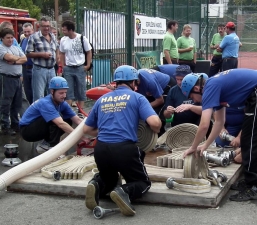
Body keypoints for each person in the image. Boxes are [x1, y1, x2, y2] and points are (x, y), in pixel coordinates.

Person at [182, 69, 257, 202]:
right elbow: (219, 122)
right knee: (247, 137)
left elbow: (204, 124)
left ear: (196, 88)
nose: (193, 101)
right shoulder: (216, 88)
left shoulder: (210, 87)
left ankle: (252, 187)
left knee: (252, 138)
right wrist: (205, 145)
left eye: (191, 97)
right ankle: (249, 181)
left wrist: (193, 147)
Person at [83, 65, 161, 216]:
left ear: (116, 82)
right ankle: (124, 191)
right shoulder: (138, 98)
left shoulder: (102, 99)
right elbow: (155, 123)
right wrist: (155, 129)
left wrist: (107, 129)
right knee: (142, 182)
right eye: (136, 83)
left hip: (101, 149)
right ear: (133, 82)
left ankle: (96, 184)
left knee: (110, 179)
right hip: (124, 149)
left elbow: (86, 130)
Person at [19, 77, 88, 153]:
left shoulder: (62, 103)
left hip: (37, 126)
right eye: (61, 93)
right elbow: (61, 124)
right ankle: (52, 147)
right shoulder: (46, 103)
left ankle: (45, 144)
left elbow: (78, 120)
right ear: (52, 91)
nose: (64, 96)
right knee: (58, 120)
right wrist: (80, 137)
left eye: (65, 92)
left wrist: (95, 129)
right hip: (27, 131)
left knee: (68, 119)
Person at [59, 20, 92, 110]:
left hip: (80, 67)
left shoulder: (82, 38)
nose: (63, 32)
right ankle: (68, 112)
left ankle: (81, 111)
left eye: (64, 30)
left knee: (81, 90)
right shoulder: (63, 40)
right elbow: (61, 53)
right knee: (68, 91)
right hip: (68, 68)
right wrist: (63, 65)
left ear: (70, 30)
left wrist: (88, 65)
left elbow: (89, 51)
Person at [0, 28, 27, 135]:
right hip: (6, 78)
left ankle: (15, 124)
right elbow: (8, 57)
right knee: (5, 103)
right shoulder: (1, 48)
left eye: (12, 37)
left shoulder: (16, 47)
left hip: (17, 78)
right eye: (8, 38)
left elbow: (24, 59)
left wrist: (15, 61)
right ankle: (5, 126)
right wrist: (17, 59)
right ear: (2, 38)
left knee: (17, 103)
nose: (10, 40)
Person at [26, 17, 59, 102]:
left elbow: (57, 48)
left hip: (52, 69)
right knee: (38, 96)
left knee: (53, 95)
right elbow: (28, 53)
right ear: (39, 26)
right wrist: (42, 54)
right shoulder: (34, 37)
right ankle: (39, 115)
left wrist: (57, 57)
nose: (46, 28)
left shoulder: (53, 36)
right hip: (39, 69)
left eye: (48, 26)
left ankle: (51, 114)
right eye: (44, 26)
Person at [21, 22, 34, 105]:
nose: (26, 34)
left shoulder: (36, 40)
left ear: (33, 30)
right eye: (25, 32)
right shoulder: (23, 41)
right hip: (25, 68)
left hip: (34, 68)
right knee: (27, 91)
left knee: (35, 91)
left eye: (28, 31)